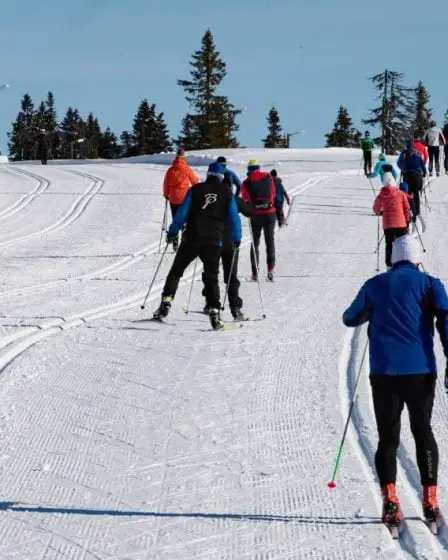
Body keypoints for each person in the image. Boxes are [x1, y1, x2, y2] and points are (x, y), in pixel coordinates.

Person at [343, 234, 448, 526]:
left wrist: (373, 313)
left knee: (388, 437)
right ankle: (430, 500)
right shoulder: (430, 284)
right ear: (417, 259)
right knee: (422, 431)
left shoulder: (375, 285)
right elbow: (445, 318)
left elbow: (350, 318)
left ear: (392, 258)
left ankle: (390, 500)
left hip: (385, 374)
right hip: (421, 373)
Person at [153, 162, 242, 330]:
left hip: (192, 238)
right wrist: (236, 238)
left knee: (176, 271)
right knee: (211, 277)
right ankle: (214, 311)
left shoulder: (195, 190)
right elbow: (233, 219)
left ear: (208, 174)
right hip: (214, 241)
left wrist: (173, 231)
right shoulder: (227, 193)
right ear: (222, 176)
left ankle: (165, 303)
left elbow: (182, 213)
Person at [202, 182, 254, 321]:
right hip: (229, 241)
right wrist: (246, 204)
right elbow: (250, 211)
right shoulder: (232, 198)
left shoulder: (209, 197)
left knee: (211, 273)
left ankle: (210, 304)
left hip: (211, 240)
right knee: (231, 274)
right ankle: (235, 309)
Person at [241, 159, 277, 281]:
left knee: (255, 242)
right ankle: (270, 270)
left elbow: (245, 200)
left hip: (255, 214)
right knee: (269, 241)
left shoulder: (246, 182)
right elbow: (273, 193)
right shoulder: (268, 177)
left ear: (249, 170)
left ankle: (255, 273)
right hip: (270, 213)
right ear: (258, 168)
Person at [163, 146, 199, 251]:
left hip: (173, 198)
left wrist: (166, 194)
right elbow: (195, 182)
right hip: (185, 198)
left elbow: (166, 183)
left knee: (176, 219)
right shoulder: (187, 169)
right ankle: (185, 242)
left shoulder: (170, 170)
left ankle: (175, 243)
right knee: (186, 220)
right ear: (184, 157)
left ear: (176, 157)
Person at [373, 172, 410, 269]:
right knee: (401, 243)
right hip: (401, 223)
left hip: (388, 224)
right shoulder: (401, 193)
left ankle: (389, 264)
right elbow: (406, 208)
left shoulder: (381, 195)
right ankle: (402, 261)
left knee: (389, 243)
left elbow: (376, 209)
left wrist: (381, 210)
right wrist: (407, 220)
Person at [397, 140, 426, 221]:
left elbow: (399, 163)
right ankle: (417, 211)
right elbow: (422, 164)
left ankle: (408, 210)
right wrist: (424, 173)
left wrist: (403, 169)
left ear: (407, 145)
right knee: (416, 194)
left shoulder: (404, 153)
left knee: (408, 194)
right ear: (413, 146)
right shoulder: (418, 153)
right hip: (417, 177)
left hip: (407, 176)